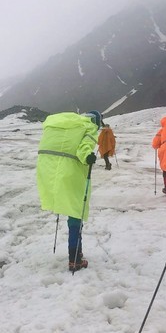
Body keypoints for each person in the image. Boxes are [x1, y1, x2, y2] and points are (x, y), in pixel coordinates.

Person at [36, 110, 102, 272]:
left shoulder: (67, 125)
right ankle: (75, 259)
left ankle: (75, 255)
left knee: (69, 208)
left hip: (49, 170)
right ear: (97, 122)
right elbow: (84, 149)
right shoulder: (89, 127)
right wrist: (88, 157)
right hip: (71, 174)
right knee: (76, 213)